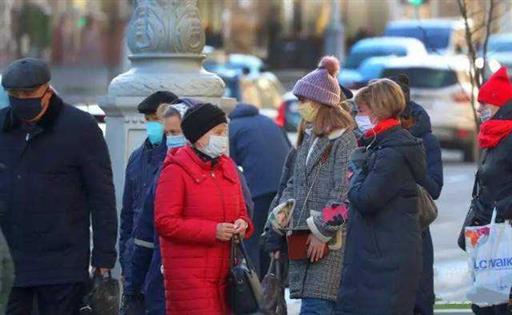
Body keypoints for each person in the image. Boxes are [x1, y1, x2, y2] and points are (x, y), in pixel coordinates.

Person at [0, 58, 117, 314]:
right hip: (10, 264)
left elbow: (102, 197)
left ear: (47, 90)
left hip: (62, 267)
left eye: (28, 93)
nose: (21, 99)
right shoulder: (2, 127)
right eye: (14, 94)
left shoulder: (80, 128)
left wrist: (103, 258)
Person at [272, 56, 356, 314]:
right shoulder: (310, 138)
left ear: (320, 102)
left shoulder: (344, 140)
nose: (299, 107)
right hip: (301, 242)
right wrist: (277, 219)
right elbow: (294, 184)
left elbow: (344, 196)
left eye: (303, 101)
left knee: (316, 306)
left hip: (328, 246)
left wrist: (321, 232)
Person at [337, 78, 427, 314]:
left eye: (362, 110)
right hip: (374, 259)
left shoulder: (391, 152)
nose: (358, 116)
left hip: (384, 264)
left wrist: (355, 172)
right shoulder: (378, 146)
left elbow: (366, 199)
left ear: (377, 112)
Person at [155, 103, 254, 314]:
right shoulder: (175, 170)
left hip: (226, 276)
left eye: (224, 132)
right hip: (190, 278)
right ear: (199, 136)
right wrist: (213, 231)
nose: (223, 138)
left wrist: (242, 222)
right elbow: (165, 222)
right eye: (218, 133)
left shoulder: (227, 166)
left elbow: (241, 209)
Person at [119, 90, 178, 311]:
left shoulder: (177, 156)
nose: (153, 125)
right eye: (149, 120)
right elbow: (127, 213)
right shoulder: (137, 157)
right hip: (136, 259)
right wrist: (125, 256)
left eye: (157, 119)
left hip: (163, 261)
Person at [389, 74, 443, 315]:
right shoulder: (373, 140)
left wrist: (409, 160)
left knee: (418, 300)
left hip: (415, 229)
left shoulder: (425, 139)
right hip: (383, 233)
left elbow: (434, 187)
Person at [468, 67, 512, 315]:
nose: (479, 108)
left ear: (500, 105)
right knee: (484, 304)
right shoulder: (493, 136)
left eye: (484, 102)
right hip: (487, 235)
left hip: (504, 235)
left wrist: (501, 209)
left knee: (497, 306)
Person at [228, 102, 290, 277]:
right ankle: (271, 282)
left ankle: (254, 288)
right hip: (283, 189)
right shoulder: (269, 121)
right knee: (270, 237)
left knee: (251, 240)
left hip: (257, 190)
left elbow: (228, 164)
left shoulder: (232, 128)